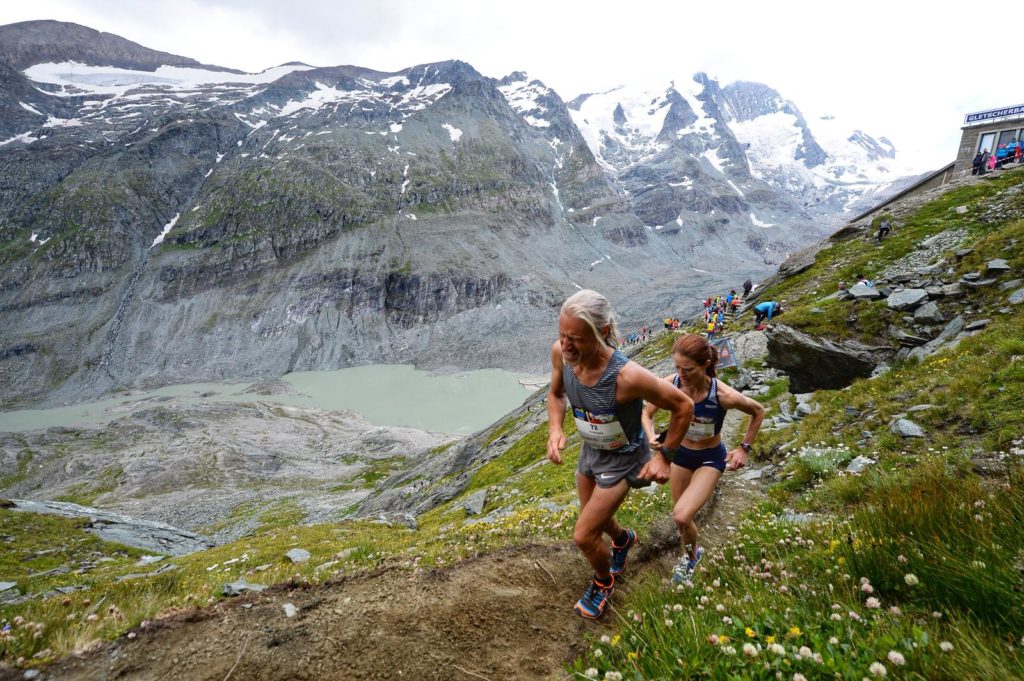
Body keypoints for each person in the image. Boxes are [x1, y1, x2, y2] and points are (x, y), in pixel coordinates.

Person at [546, 290, 694, 619]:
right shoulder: (562, 355)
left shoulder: (628, 377)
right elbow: (555, 395)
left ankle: (603, 581)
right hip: (591, 450)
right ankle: (623, 539)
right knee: (596, 519)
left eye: (576, 339)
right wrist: (555, 429)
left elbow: (684, 406)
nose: (566, 346)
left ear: (603, 333)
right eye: (562, 335)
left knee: (584, 536)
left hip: (623, 457)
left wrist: (664, 457)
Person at [642, 333, 765, 583]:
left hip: (710, 458)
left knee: (681, 515)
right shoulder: (672, 384)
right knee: (682, 520)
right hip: (679, 456)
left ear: (705, 365)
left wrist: (743, 448)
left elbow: (758, 411)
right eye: (676, 367)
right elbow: (647, 414)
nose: (681, 374)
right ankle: (693, 553)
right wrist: (650, 435)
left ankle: (688, 560)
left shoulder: (722, 395)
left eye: (687, 369)